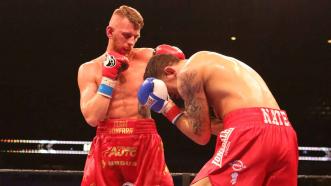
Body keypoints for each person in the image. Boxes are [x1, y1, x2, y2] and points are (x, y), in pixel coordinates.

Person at [138, 51, 298, 186]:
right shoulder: (217, 64)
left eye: (172, 93)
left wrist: (167, 108)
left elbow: (200, 136)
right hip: (284, 132)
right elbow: (227, 126)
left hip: (250, 132)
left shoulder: (187, 73)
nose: (178, 96)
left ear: (169, 72)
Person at [77, 5, 185, 186]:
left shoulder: (149, 58)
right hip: (107, 140)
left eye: (136, 37)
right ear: (109, 32)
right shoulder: (89, 69)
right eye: (126, 35)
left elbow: (184, 77)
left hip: (144, 138)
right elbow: (93, 118)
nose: (131, 42)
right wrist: (108, 78)